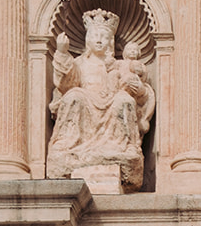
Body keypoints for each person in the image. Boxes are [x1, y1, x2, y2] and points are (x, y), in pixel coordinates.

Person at [47, 10, 155, 188]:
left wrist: (137, 88)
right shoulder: (79, 63)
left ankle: (125, 146)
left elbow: (140, 91)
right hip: (86, 102)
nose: (99, 40)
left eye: (103, 37)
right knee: (74, 95)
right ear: (87, 39)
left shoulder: (119, 65)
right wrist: (62, 52)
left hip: (111, 103)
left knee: (124, 100)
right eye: (95, 35)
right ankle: (67, 143)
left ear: (110, 42)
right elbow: (65, 85)